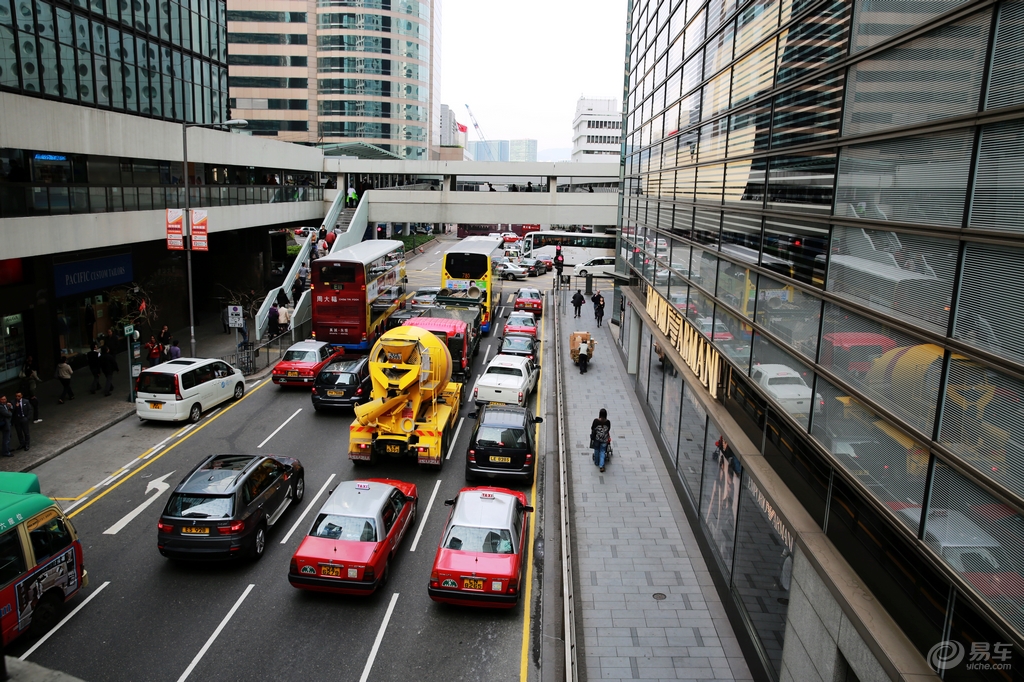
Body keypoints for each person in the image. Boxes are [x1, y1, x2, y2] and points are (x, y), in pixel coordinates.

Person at [19, 357, 40, 423]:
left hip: (24, 395)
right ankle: (35, 419)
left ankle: (25, 418)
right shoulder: (31, 381)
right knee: (35, 406)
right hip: (30, 396)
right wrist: (33, 395)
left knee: (25, 407)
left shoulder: (23, 380)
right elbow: (32, 389)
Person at [590, 408, 612, 472]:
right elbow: (608, 430)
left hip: (597, 439)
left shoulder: (596, 421)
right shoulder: (608, 422)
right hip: (604, 440)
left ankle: (596, 462)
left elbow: (592, 428)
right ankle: (601, 466)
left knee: (596, 449)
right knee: (602, 451)